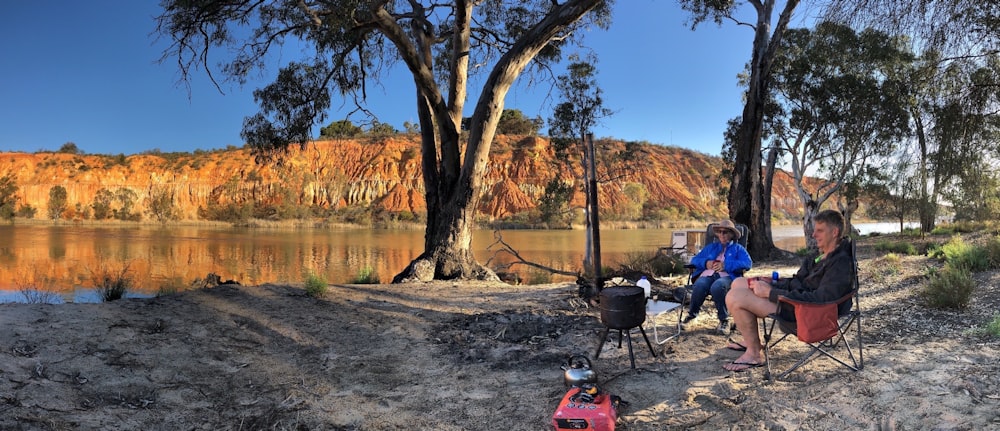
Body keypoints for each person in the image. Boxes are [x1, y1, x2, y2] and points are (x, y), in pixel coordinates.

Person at [722, 209, 853, 372]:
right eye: (814, 230)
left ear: (835, 232)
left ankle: (754, 354)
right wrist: (772, 284)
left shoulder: (840, 263)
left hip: (808, 312)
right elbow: (797, 281)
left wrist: (771, 293)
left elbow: (822, 298)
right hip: (795, 302)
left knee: (735, 297)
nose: (813, 235)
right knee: (740, 283)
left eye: (820, 231)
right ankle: (751, 342)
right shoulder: (818, 256)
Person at [682, 220, 752, 335]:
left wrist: (726, 266)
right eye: (720, 232)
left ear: (732, 234)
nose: (722, 234)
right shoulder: (711, 247)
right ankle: (692, 316)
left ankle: (724, 320)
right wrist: (706, 263)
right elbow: (694, 260)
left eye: (725, 232)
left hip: (728, 277)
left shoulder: (738, 249)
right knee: (699, 284)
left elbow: (747, 264)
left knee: (718, 286)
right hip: (708, 274)